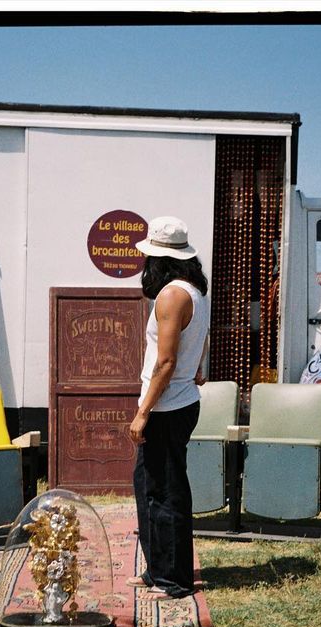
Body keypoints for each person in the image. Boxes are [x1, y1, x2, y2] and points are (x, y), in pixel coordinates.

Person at [127, 216, 210, 600]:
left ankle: (175, 579)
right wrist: (199, 367)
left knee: (166, 493)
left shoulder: (171, 296)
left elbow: (165, 362)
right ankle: (157, 569)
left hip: (167, 408)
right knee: (148, 486)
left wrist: (143, 411)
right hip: (178, 401)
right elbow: (199, 340)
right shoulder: (194, 291)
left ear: (158, 260)